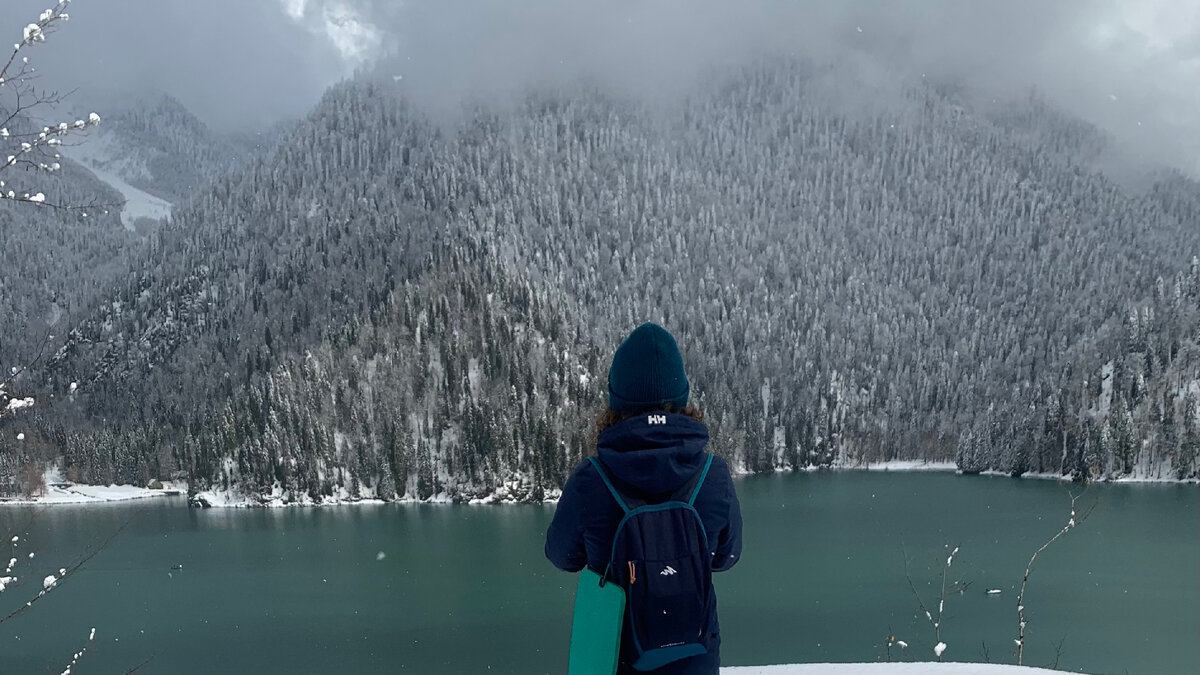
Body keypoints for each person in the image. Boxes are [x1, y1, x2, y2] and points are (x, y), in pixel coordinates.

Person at [546, 322, 743, 674]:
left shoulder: (591, 479)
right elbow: (727, 557)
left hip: (616, 662)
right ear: (681, 397)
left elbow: (562, 556)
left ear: (616, 400)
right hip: (695, 660)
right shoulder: (713, 474)